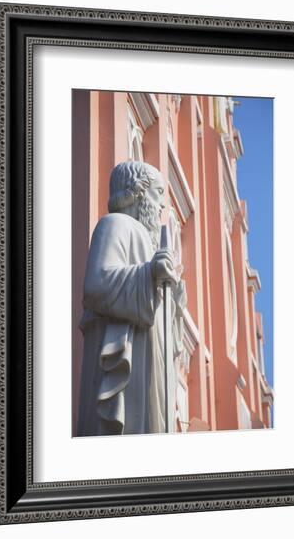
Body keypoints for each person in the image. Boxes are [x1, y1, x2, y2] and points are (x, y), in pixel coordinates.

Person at [77, 161, 185, 436]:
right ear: (138, 192)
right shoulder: (115, 224)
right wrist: (148, 275)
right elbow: (96, 285)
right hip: (127, 373)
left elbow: (165, 337)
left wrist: (173, 303)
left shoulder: (149, 245)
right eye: (158, 193)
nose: (163, 207)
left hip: (149, 371)